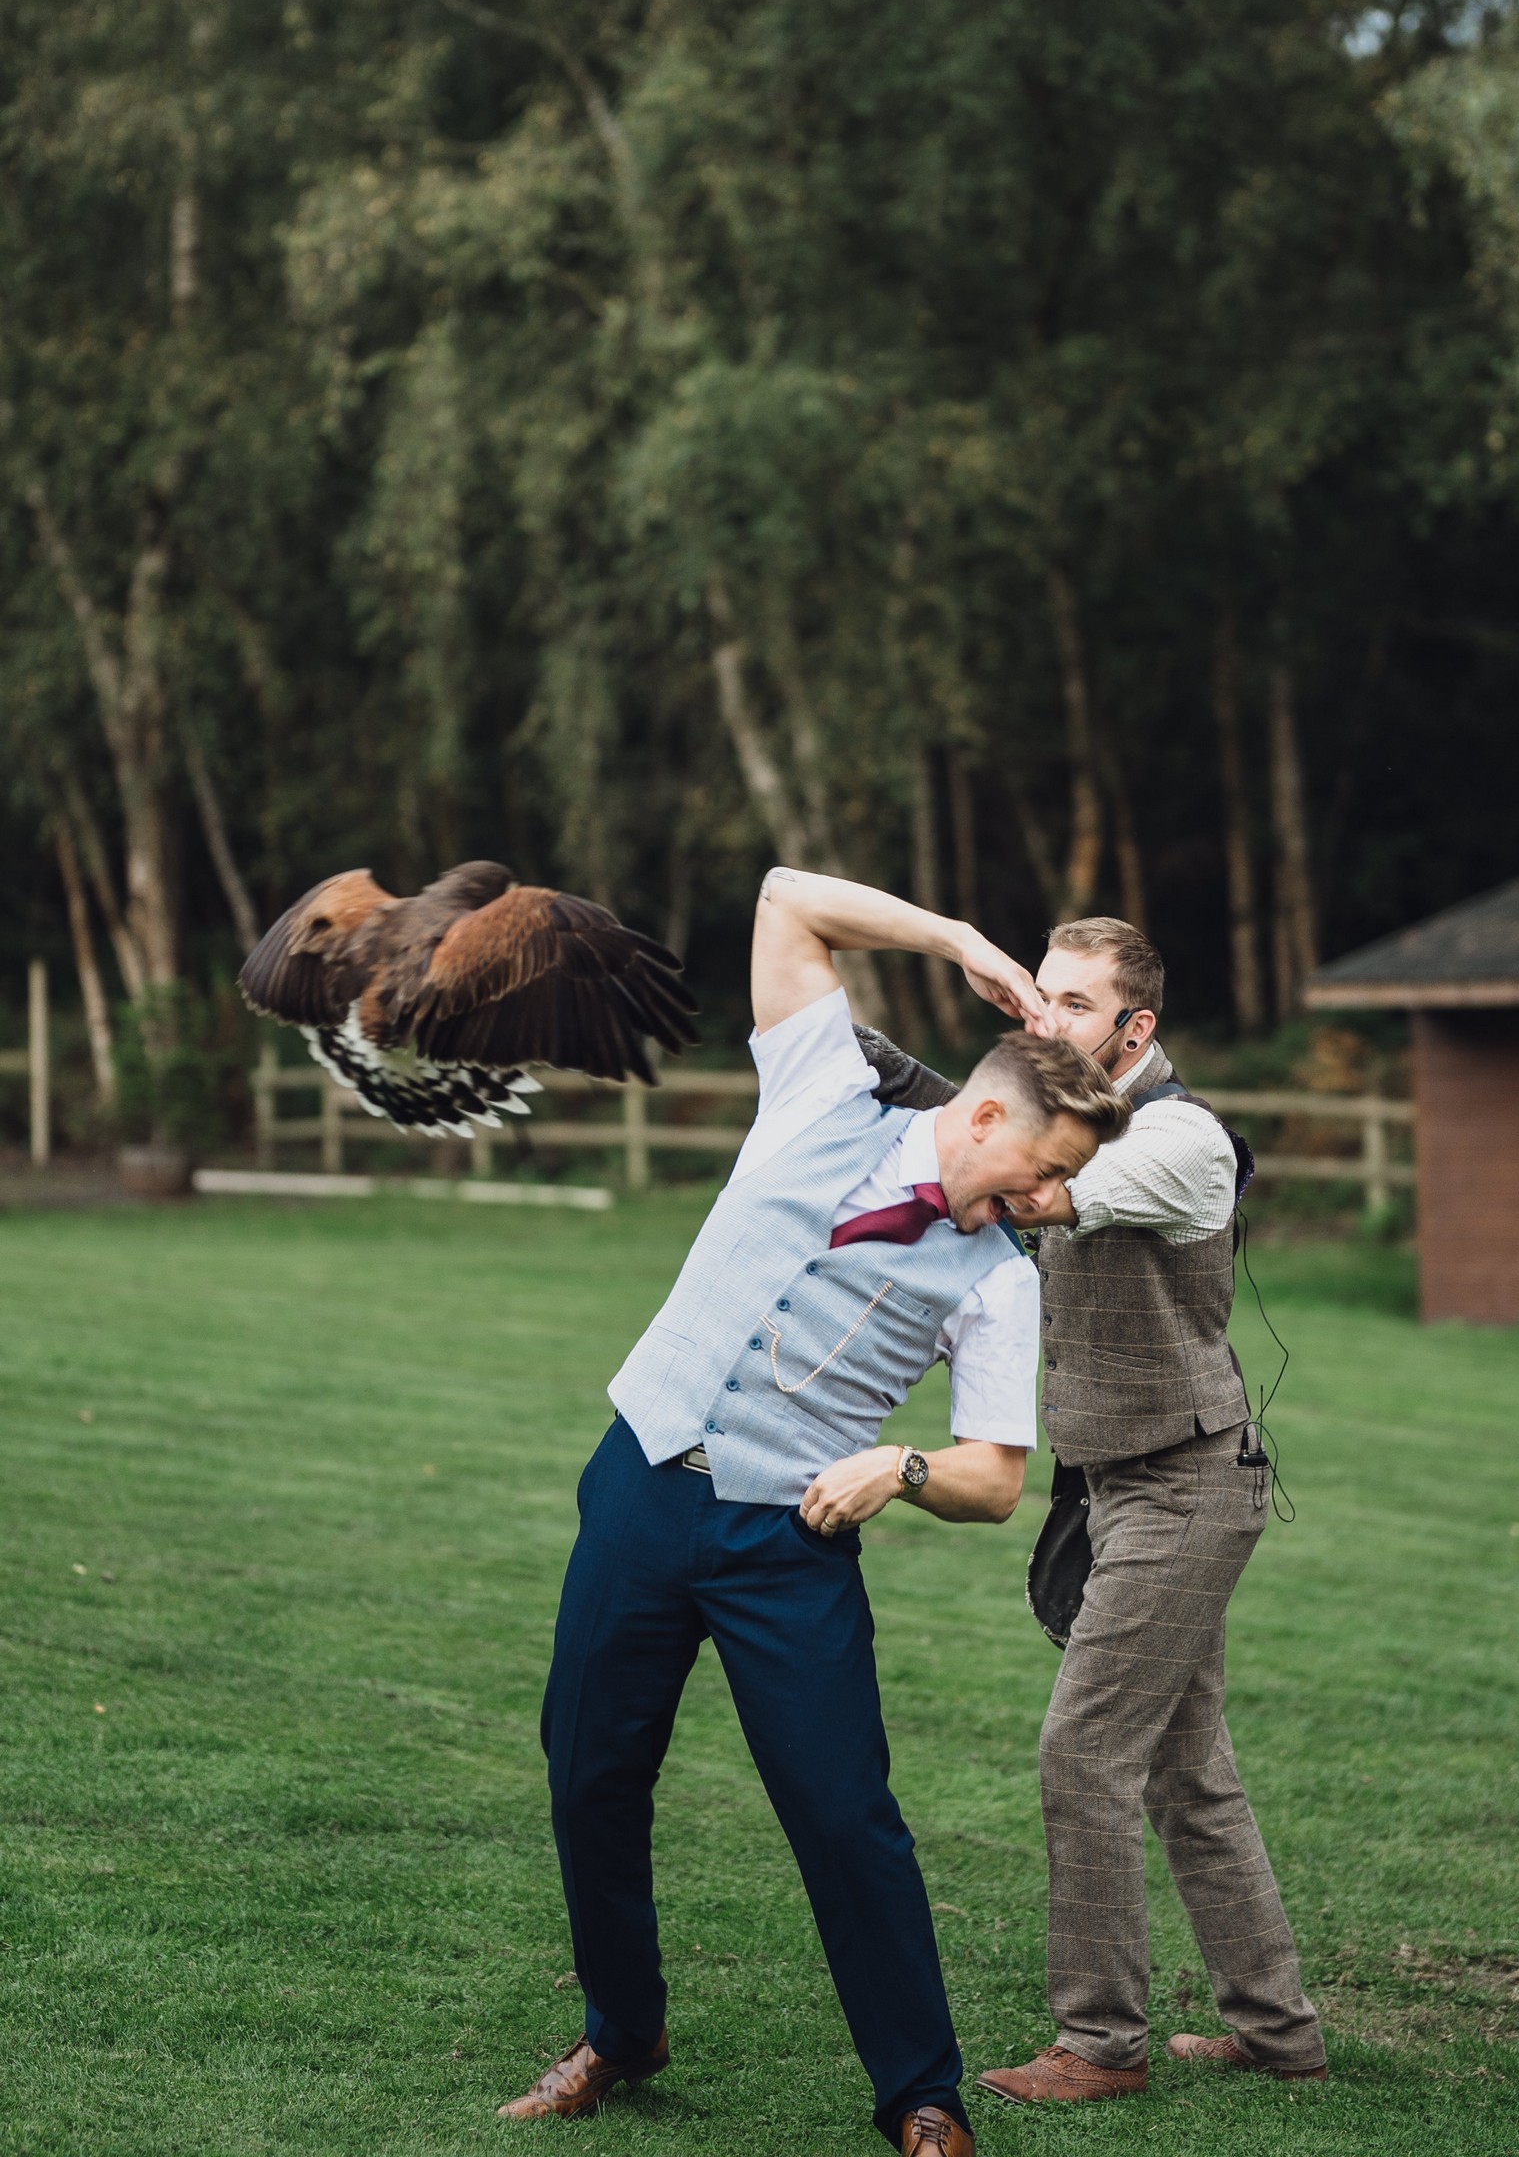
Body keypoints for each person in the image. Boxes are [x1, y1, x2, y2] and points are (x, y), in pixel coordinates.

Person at [496, 871, 1129, 2156]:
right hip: (639, 1482)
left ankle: (921, 2094)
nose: (1041, 1202)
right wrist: (956, 936)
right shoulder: (823, 1091)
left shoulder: (1000, 1283)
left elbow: (994, 1480)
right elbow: (787, 899)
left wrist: (896, 1469)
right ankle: (621, 2031)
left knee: (846, 1815)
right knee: (588, 1776)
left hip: (788, 1544)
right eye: (1038, 1171)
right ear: (984, 1111)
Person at [859, 913, 1328, 2106]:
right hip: (1120, 1483)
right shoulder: (1082, 1109)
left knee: (1084, 1751)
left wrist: (933, 1099)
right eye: (1040, 998)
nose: (1046, 1020)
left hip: (1187, 1482)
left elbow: (1034, 1190)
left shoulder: (1177, 1141)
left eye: (1075, 1006)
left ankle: (1101, 2044)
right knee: (1189, 1770)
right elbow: (1008, 1134)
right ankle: (1278, 2032)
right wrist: (853, 1048)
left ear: (1137, 1027)